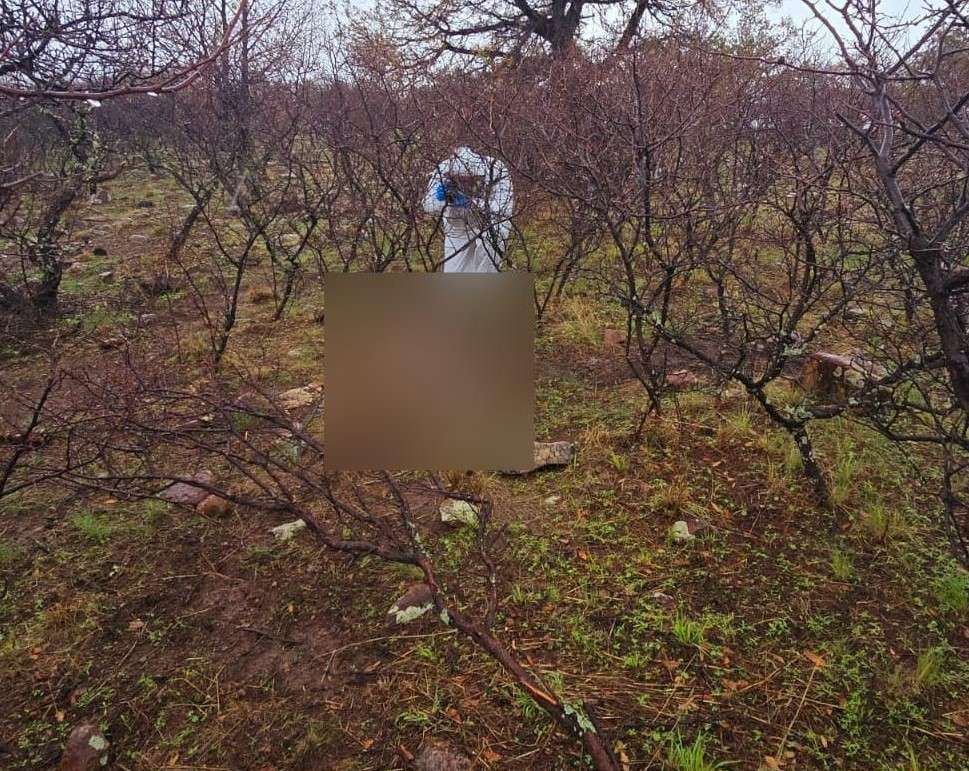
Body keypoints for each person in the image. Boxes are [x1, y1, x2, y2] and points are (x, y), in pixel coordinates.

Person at [423, 146, 514, 273]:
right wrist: (441, 199)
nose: (463, 182)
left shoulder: (497, 170)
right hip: (456, 226)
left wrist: (473, 203)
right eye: (459, 178)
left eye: (467, 179)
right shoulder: (443, 169)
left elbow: (504, 209)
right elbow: (428, 205)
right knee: (454, 272)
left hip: (491, 225)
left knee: (487, 262)